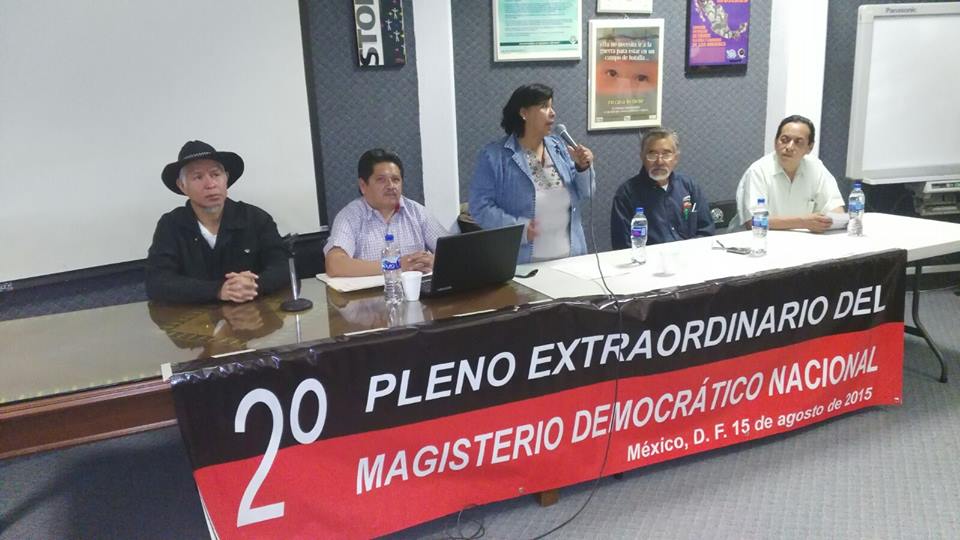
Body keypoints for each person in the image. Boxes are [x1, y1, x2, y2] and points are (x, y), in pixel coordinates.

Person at [146, 140, 287, 304]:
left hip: (252, 312)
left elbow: (283, 267)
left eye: (215, 174)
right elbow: (157, 282)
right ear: (182, 186)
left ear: (226, 178)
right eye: (198, 177)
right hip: (193, 316)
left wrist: (254, 284)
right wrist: (218, 290)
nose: (210, 184)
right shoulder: (171, 225)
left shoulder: (255, 218)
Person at [469, 83, 595, 264]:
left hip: (571, 259)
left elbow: (587, 192)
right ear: (524, 113)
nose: (553, 113)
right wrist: (518, 229)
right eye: (544, 106)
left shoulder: (558, 147)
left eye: (552, 106)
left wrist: (582, 168)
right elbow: (480, 207)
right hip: (524, 264)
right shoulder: (495, 156)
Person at [324, 148, 448, 277]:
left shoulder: (417, 213)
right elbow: (335, 264)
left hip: (416, 288)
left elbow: (453, 251)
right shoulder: (350, 216)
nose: (391, 186)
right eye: (381, 180)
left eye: (395, 179)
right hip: (371, 290)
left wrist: (435, 261)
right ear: (363, 186)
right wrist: (396, 265)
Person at [735, 115, 845, 232]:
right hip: (758, 239)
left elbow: (837, 210)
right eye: (784, 140)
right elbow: (753, 222)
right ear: (775, 142)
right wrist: (802, 222)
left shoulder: (816, 167)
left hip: (802, 239)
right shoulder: (758, 170)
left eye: (798, 142)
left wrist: (830, 220)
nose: (789, 147)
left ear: (810, 147)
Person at [610, 128, 714, 249]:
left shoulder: (689, 187)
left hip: (689, 256)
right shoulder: (626, 194)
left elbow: (706, 231)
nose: (659, 161)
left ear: (676, 158)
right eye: (652, 154)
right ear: (642, 157)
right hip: (648, 259)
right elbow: (623, 246)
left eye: (666, 154)